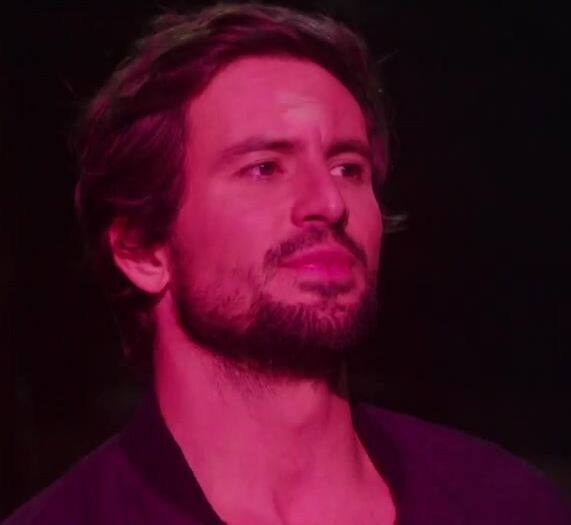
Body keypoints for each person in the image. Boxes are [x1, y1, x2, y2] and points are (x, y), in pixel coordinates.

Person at [3, 3, 570, 524]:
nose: (329, 203)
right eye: (265, 168)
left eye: (348, 168)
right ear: (142, 250)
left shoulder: (509, 505)